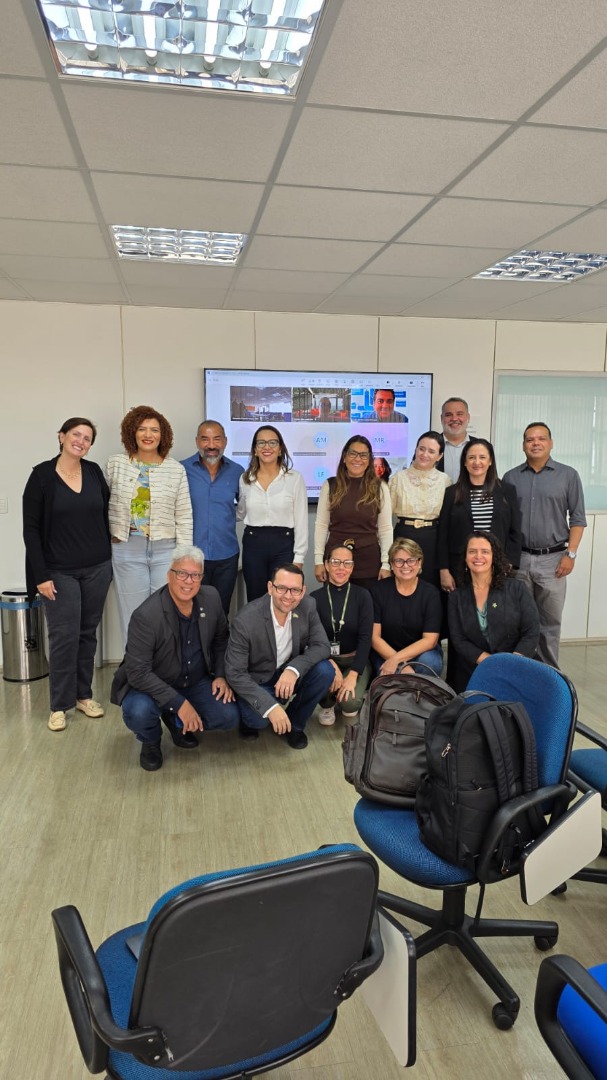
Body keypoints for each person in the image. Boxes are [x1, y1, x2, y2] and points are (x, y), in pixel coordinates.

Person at [110, 546, 239, 771]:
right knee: (137, 712)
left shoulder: (211, 598)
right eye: (182, 573)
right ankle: (151, 740)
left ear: (201, 577)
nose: (188, 581)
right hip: (153, 685)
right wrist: (179, 703)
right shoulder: (146, 616)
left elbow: (221, 639)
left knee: (228, 716)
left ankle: (176, 721)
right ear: (169, 575)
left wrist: (220, 675)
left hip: (195, 680)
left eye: (195, 575)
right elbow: (138, 672)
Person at [23, 417, 112, 732]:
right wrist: (40, 575)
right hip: (58, 572)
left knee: (88, 634)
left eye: (87, 438)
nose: (81, 441)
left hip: (98, 567)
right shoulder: (42, 476)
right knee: (64, 637)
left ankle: (82, 696)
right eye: (76, 434)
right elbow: (31, 530)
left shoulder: (93, 472)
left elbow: (105, 513)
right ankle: (59, 705)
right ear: (61, 436)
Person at [105, 405, 193, 647]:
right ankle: (133, 670)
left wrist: (183, 556)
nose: (148, 434)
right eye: (142, 429)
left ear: (162, 435)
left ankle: (163, 669)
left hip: (166, 550)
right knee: (133, 613)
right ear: (131, 432)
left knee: (165, 612)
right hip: (127, 548)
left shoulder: (175, 469)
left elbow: (184, 514)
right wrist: (110, 534)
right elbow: (101, 504)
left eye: (154, 430)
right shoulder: (116, 464)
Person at [503, 422, 586, 669]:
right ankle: (521, 673)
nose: (535, 443)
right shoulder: (511, 477)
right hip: (519, 560)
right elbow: (504, 522)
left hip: (554, 559)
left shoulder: (568, 475)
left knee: (549, 624)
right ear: (523, 445)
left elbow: (578, 518)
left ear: (550, 443)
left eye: (541, 439)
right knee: (518, 622)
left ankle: (550, 677)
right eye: (530, 439)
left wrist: (570, 554)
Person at [225, 564, 333, 750]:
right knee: (258, 720)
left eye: (295, 590)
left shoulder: (307, 605)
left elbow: (322, 646)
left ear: (303, 591)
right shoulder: (246, 620)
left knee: (325, 671)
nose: (288, 596)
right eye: (282, 588)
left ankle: (294, 725)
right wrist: (270, 707)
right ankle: (251, 718)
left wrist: (293, 670)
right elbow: (235, 673)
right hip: (257, 680)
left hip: (286, 672)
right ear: (270, 587)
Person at [448, 532, 540, 693]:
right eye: (472, 551)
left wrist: (511, 663)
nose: (478, 556)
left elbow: (531, 632)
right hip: (474, 671)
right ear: (465, 558)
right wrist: (491, 664)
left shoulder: (517, 589)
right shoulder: (456, 597)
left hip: (515, 668)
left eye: (485, 551)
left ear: (494, 557)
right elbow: (459, 640)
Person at [438, 438, 521, 593]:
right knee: (463, 612)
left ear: (490, 461)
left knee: (495, 611)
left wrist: (509, 563)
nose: (477, 462)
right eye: (471, 457)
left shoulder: (506, 491)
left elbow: (515, 531)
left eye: (482, 457)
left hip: (497, 567)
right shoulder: (452, 493)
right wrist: (443, 570)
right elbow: (443, 534)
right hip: (460, 568)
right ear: (464, 462)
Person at [237, 425, 308, 601]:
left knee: (283, 597)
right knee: (256, 598)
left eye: (272, 442)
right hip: (253, 544)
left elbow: (301, 520)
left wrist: (299, 558)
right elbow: (240, 512)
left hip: (284, 545)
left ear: (280, 448)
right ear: (255, 450)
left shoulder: (294, 478)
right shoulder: (246, 479)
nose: (266, 447)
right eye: (261, 443)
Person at [314, 434, 393, 591]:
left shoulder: (380, 487)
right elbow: (322, 525)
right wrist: (318, 561)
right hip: (336, 562)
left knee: (367, 612)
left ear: (369, 460)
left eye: (363, 455)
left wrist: (386, 563)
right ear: (344, 457)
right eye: (353, 453)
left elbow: (385, 529)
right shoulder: (330, 485)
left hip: (368, 562)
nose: (358, 459)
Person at [181, 420, 243, 616]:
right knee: (190, 611)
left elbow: (246, 508)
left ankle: (218, 648)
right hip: (191, 556)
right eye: (205, 439)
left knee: (220, 612)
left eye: (217, 439)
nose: (211, 446)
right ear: (196, 441)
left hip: (226, 556)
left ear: (225, 441)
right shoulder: (181, 470)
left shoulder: (238, 472)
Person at [310, 544, 373, 726]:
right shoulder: (314, 598)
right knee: (325, 688)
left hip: (354, 660)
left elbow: (365, 637)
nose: (341, 568)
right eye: (336, 562)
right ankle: (327, 704)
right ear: (327, 565)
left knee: (349, 705)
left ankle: (353, 691)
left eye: (347, 563)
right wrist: (330, 664)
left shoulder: (363, 596)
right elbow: (311, 640)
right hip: (325, 660)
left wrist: (353, 675)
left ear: (352, 568)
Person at [370, 538, 443, 676]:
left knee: (430, 662)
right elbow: (374, 638)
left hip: (421, 653)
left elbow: (430, 640)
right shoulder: (378, 591)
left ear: (419, 562)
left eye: (411, 560)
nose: (405, 566)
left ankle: (422, 697)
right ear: (391, 564)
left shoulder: (430, 593)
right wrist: (399, 664)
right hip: (385, 653)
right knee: (391, 677)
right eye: (399, 561)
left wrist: (397, 660)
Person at [389, 430, 451, 587]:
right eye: (421, 449)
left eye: (431, 451)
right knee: (401, 584)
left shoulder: (445, 481)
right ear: (415, 449)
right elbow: (384, 518)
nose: (425, 454)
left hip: (433, 540)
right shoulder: (398, 478)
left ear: (439, 456)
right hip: (403, 537)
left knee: (430, 586)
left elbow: (447, 519)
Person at [438, 397, 471, 482]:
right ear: (442, 418)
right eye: (448, 415)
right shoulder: (428, 446)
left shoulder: (481, 447)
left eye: (459, 414)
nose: (454, 419)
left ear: (468, 417)